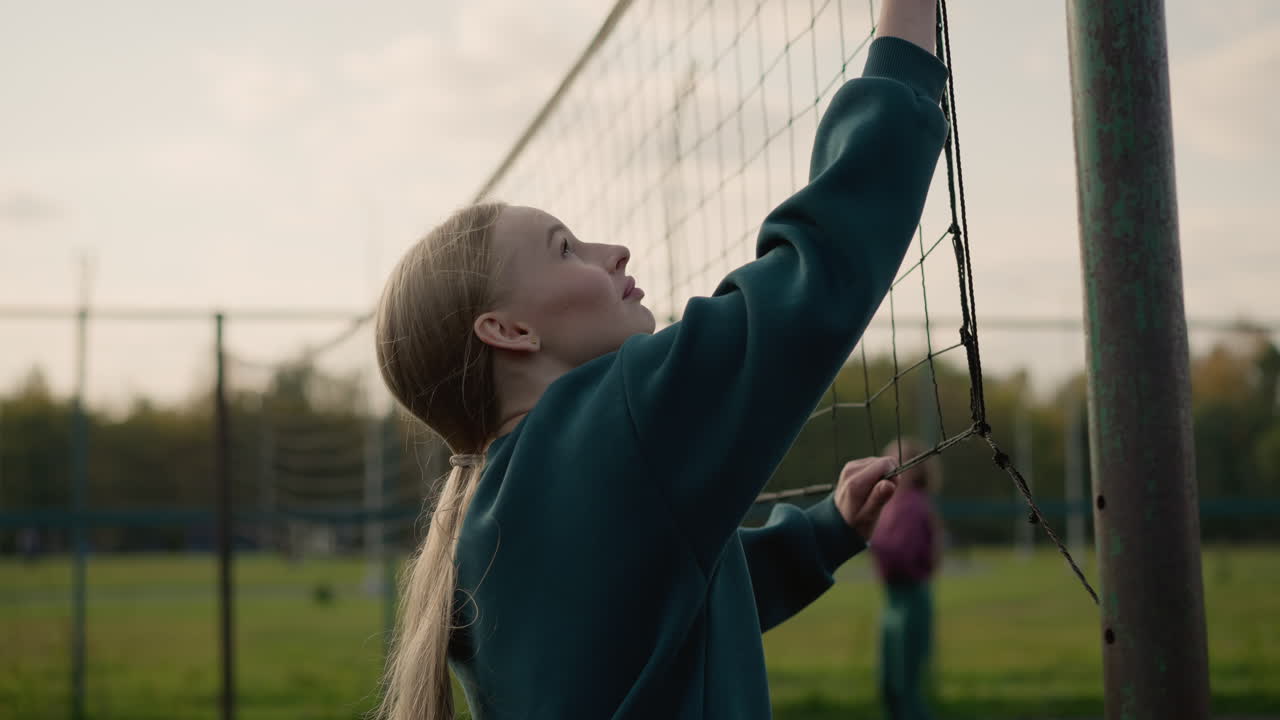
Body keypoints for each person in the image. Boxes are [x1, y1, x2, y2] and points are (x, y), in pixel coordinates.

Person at [371, 1, 948, 716]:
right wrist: (905, 35)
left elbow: (657, 613)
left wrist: (824, 532)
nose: (613, 251)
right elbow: (816, 273)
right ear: (508, 330)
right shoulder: (612, 424)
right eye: (565, 249)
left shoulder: (481, 524)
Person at [870, 437, 945, 720]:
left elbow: (905, 555)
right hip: (892, 599)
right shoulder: (891, 503)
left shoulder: (914, 505)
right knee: (890, 685)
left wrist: (859, 538)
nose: (891, 467)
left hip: (911, 598)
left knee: (905, 687)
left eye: (898, 461)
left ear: (916, 468)